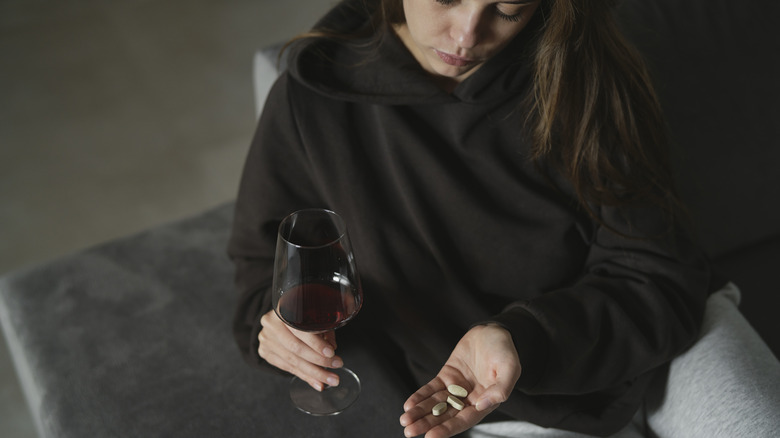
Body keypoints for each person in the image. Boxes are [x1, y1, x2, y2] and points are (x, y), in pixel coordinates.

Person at [227, 0, 713, 437]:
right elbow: (262, 271)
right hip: (480, 403)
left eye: (507, 9)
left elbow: (660, 279)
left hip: (657, 352)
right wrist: (283, 334)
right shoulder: (313, 95)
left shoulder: (586, 83)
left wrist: (525, 337)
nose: (466, 35)